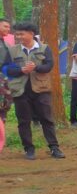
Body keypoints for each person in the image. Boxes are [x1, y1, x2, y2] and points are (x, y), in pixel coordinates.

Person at [2, 22, 64, 159]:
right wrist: (21, 70)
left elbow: (49, 66)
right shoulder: (12, 50)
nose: (18, 36)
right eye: (17, 34)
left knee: (47, 119)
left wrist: (36, 67)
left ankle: (54, 147)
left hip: (41, 89)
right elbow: (6, 69)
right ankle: (29, 149)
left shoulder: (44, 48)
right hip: (20, 90)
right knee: (24, 121)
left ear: (31, 34)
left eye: (21, 34)